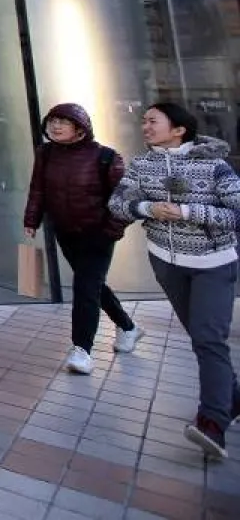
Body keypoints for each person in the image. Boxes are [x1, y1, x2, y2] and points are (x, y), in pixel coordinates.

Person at [109, 102, 240, 459]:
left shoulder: (214, 166)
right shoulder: (141, 165)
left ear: (179, 128)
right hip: (166, 262)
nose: (146, 127)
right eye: (144, 122)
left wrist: (186, 211)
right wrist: (147, 209)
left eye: (153, 121)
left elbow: (237, 212)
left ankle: (213, 422)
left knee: (208, 339)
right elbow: (117, 203)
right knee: (200, 335)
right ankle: (233, 396)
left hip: (214, 263)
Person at [22, 103, 140, 376]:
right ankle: (128, 327)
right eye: (52, 121)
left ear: (81, 128)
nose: (55, 126)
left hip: (97, 234)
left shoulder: (106, 157)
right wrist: (31, 220)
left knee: (85, 288)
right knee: (92, 285)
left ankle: (82, 350)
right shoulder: (46, 153)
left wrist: (112, 231)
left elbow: (125, 200)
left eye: (63, 121)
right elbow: (38, 188)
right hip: (65, 231)